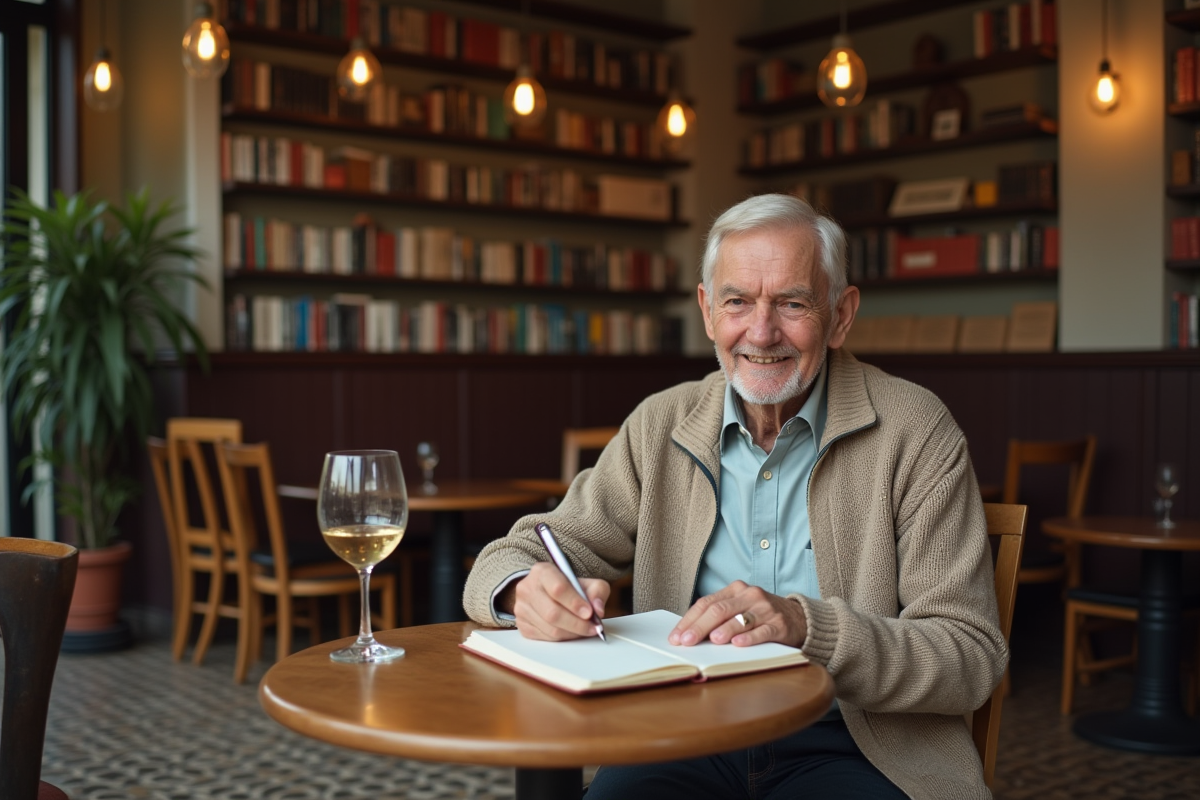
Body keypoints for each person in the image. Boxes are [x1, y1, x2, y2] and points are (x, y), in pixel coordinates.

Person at [462, 193, 1006, 800]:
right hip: (679, 735)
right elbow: (514, 553)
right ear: (706, 310)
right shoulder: (659, 424)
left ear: (841, 313)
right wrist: (522, 592)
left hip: (858, 748)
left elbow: (968, 656)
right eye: (738, 302)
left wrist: (808, 627)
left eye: (793, 303)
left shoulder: (916, 429)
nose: (762, 332)